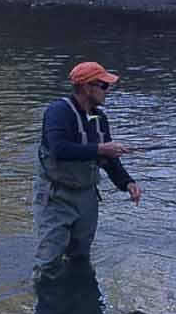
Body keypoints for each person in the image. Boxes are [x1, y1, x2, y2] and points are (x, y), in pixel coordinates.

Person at [33, 60, 141, 280]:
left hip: (87, 197)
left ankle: (77, 298)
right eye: (103, 86)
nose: (107, 91)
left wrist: (127, 183)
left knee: (80, 256)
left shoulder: (99, 118)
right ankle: (46, 301)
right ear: (86, 88)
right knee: (49, 260)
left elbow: (109, 159)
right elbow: (59, 148)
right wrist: (101, 148)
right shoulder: (59, 111)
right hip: (56, 197)